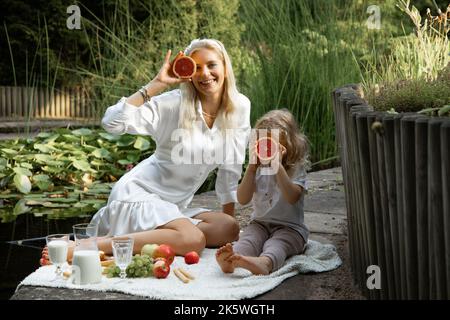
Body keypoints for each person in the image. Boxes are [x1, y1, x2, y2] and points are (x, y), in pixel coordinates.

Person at [40, 39, 251, 264]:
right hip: (138, 194)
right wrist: (157, 84)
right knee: (193, 240)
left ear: (225, 67)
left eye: (211, 65)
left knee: (228, 228)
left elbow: (231, 167)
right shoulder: (173, 104)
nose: (204, 73)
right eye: (196, 67)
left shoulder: (239, 106)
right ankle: (85, 246)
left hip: (174, 207)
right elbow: (112, 123)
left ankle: (136, 239)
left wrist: (229, 240)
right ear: (188, 73)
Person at [215, 109, 309, 275]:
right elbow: (242, 199)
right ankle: (233, 259)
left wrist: (277, 166)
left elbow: (292, 197)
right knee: (249, 239)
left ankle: (265, 263)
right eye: (261, 145)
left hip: (291, 228)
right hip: (260, 224)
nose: (266, 151)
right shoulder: (257, 169)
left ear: (287, 146)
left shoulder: (296, 168)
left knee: (277, 245)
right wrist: (251, 169)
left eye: (270, 146)